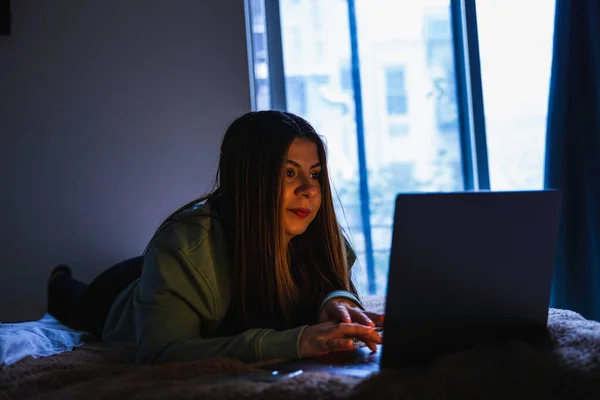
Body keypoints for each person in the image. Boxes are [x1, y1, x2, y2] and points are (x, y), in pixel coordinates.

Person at [48, 110, 384, 364]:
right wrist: (295, 343)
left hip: (182, 277)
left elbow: (333, 286)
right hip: (119, 292)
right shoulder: (184, 245)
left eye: (315, 174)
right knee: (73, 300)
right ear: (249, 180)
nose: (310, 190)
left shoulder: (317, 230)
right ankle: (59, 282)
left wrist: (337, 300)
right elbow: (161, 352)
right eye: (289, 172)